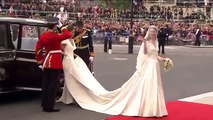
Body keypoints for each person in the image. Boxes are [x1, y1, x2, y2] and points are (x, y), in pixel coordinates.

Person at [58, 25, 168, 117]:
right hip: (148, 66)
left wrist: (164, 59)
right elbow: (145, 53)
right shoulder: (147, 42)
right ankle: (148, 108)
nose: (153, 33)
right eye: (151, 31)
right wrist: (144, 42)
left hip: (154, 66)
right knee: (148, 85)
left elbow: (155, 55)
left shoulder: (156, 42)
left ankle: (154, 107)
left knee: (155, 86)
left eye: (154, 31)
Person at [35, 16, 72, 112]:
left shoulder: (44, 36)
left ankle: (44, 104)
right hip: (55, 62)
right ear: (55, 26)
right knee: (53, 85)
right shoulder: (55, 36)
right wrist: (63, 28)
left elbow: (38, 48)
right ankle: (49, 106)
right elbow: (68, 35)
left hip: (46, 61)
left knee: (46, 84)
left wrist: (39, 59)